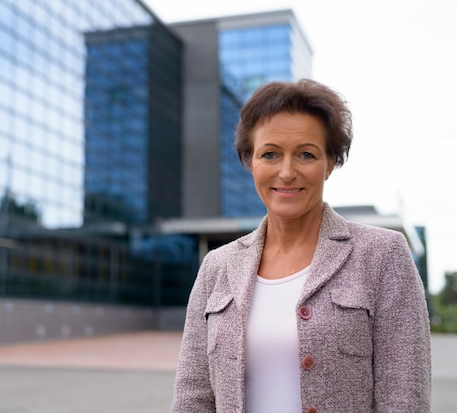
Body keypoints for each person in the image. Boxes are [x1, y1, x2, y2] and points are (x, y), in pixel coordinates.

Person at [170, 79, 431, 413]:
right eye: (270, 154)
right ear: (250, 161)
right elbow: (193, 396)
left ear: (331, 162)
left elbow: (405, 398)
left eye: (306, 154)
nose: (287, 171)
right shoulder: (217, 266)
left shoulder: (382, 255)